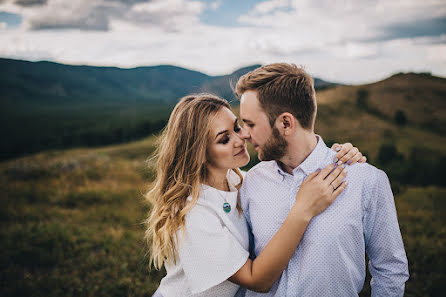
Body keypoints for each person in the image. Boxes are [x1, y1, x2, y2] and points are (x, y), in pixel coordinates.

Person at [146, 94, 366, 297]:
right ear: (199, 153)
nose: (241, 138)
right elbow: (257, 280)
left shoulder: (241, 180)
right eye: (224, 139)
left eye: (237, 127)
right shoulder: (192, 212)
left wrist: (337, 156)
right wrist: (303, 210)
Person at [235, 63, 409, 297]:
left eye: (250, 124)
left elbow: (390, 268)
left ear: (286, 123)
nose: (244, 134)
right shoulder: (250, 183)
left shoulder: (365, 180)